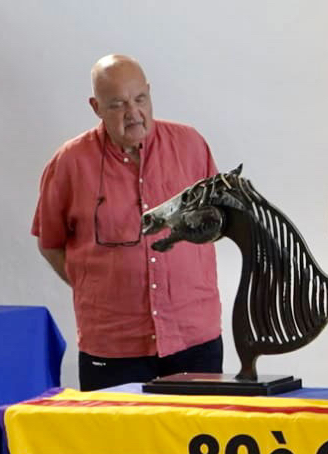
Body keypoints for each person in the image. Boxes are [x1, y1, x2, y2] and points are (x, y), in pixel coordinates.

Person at [33, 54, 223, 390]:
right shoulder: (69, 162)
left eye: (140, 99)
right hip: (113, 345)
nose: (133, 113)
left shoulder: (191, 145)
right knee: (116, 444)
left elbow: (219, 220)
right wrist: (95, 287)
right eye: (118, 104)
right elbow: (50, 243)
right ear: (96, 107)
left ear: (150, 94)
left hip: (193, 338)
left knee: (192, 442)